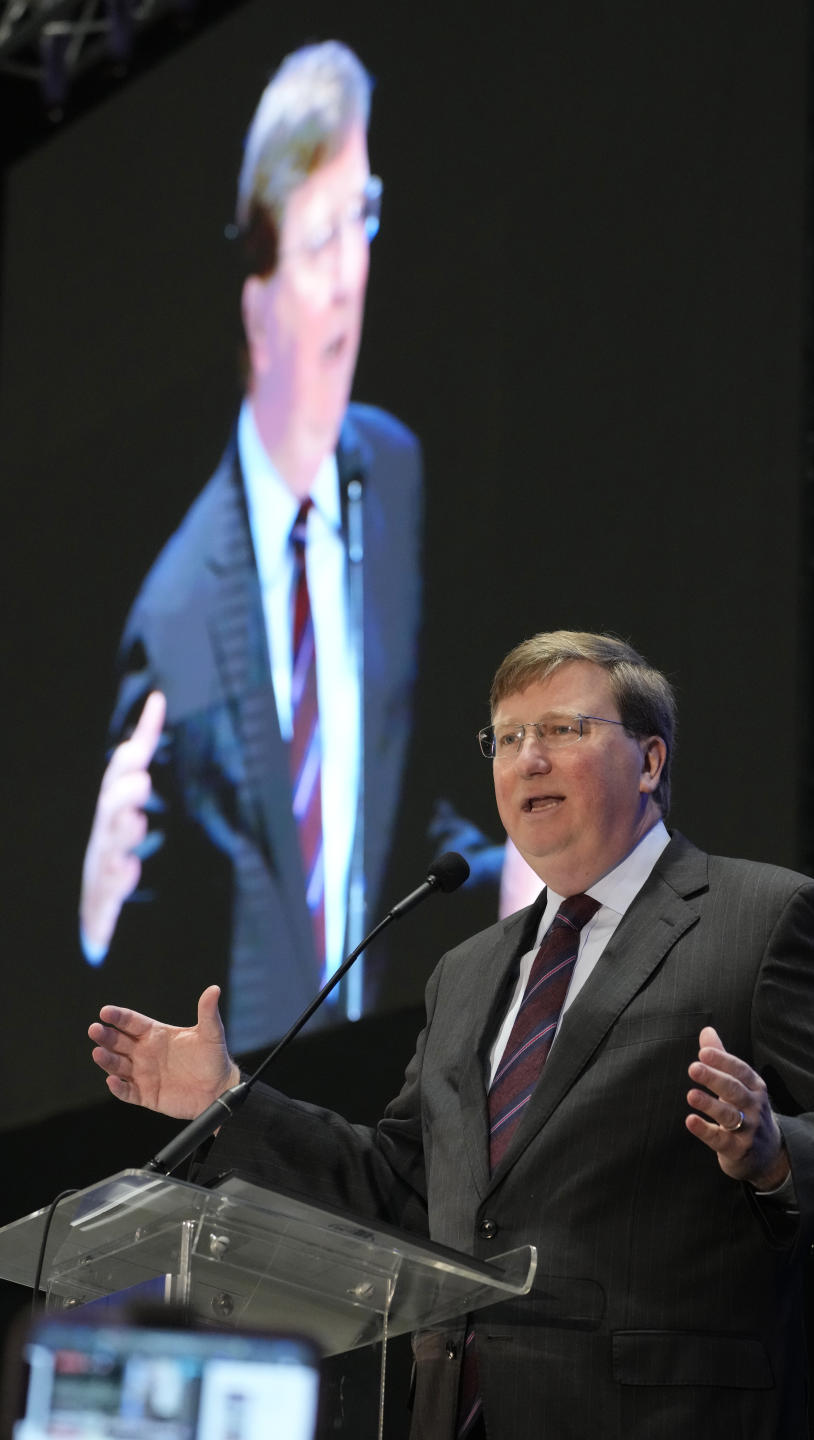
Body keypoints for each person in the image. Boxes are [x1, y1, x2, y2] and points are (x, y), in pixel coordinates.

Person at [89, 630, 814, 1439]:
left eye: (564, 729)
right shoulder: (469, 971)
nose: (529, 757)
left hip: (665, 1412)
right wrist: (227, 1101)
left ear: (652, 761)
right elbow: (406, 1187)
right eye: (509, 737)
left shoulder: (764, 918)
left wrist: (771, 1154)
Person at [78, 42, 422, 1052]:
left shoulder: (396, 475)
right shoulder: (175, 614)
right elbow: (154, 931)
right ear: (255, 294)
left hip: (404, 1110)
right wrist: (99, 924)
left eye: (362, 217)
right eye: (321, 240)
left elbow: (410, 800)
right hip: (262, 1133)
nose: (355, 272)